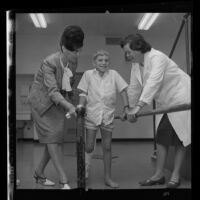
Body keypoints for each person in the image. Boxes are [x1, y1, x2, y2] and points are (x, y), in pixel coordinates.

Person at [120, 33, 191, 188]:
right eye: (125, 52)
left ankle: (175, 175)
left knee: (181, 138)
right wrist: (129, 109)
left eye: (129, 52)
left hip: (182, 98)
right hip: (164, 101)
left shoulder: (157, 57)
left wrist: (138, 107)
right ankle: (158, 175)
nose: (127, 55)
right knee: (161, 138)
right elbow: (134, 87)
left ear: (138, 48)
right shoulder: (136, 65)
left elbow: (153, 82)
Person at [28, 25, 84, 189]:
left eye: (79, 50)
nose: (77, 54)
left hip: (57, 104)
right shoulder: (49, 63)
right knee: (52, 139)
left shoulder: (73, 62)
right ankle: (63, 180)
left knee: (55, 139)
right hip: (41, 104)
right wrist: (69, 107)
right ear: (63, 48)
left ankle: (39, 173)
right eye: (74, 51)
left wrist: (73, 103)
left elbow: (69, 86)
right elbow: (52, 92)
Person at [77, 50, 129, 188]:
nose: (103, 62)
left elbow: (123, 90)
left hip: (107, 116)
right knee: (88, 146)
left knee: (107, 147)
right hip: (92, 116)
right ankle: (86, 169)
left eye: (106, 60)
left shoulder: (114, 74)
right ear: (94, 62)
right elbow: (83, 93)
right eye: (100, 60)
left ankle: (108, 178)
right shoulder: (88, 74)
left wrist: (126, 107)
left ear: (109, 63)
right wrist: (81, 106)